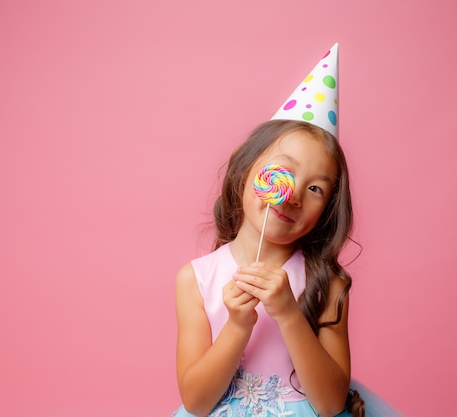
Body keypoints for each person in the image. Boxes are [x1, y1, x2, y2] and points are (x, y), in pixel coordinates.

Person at [172, 44, 401, 417]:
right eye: (284, 172)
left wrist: (288, 313)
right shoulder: (195, 279)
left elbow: (329, 404)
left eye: (315, 189)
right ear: (245, 170)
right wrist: (237, 325)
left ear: (326, 209)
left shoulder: (327, 282)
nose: (292, 195)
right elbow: (196, 403)